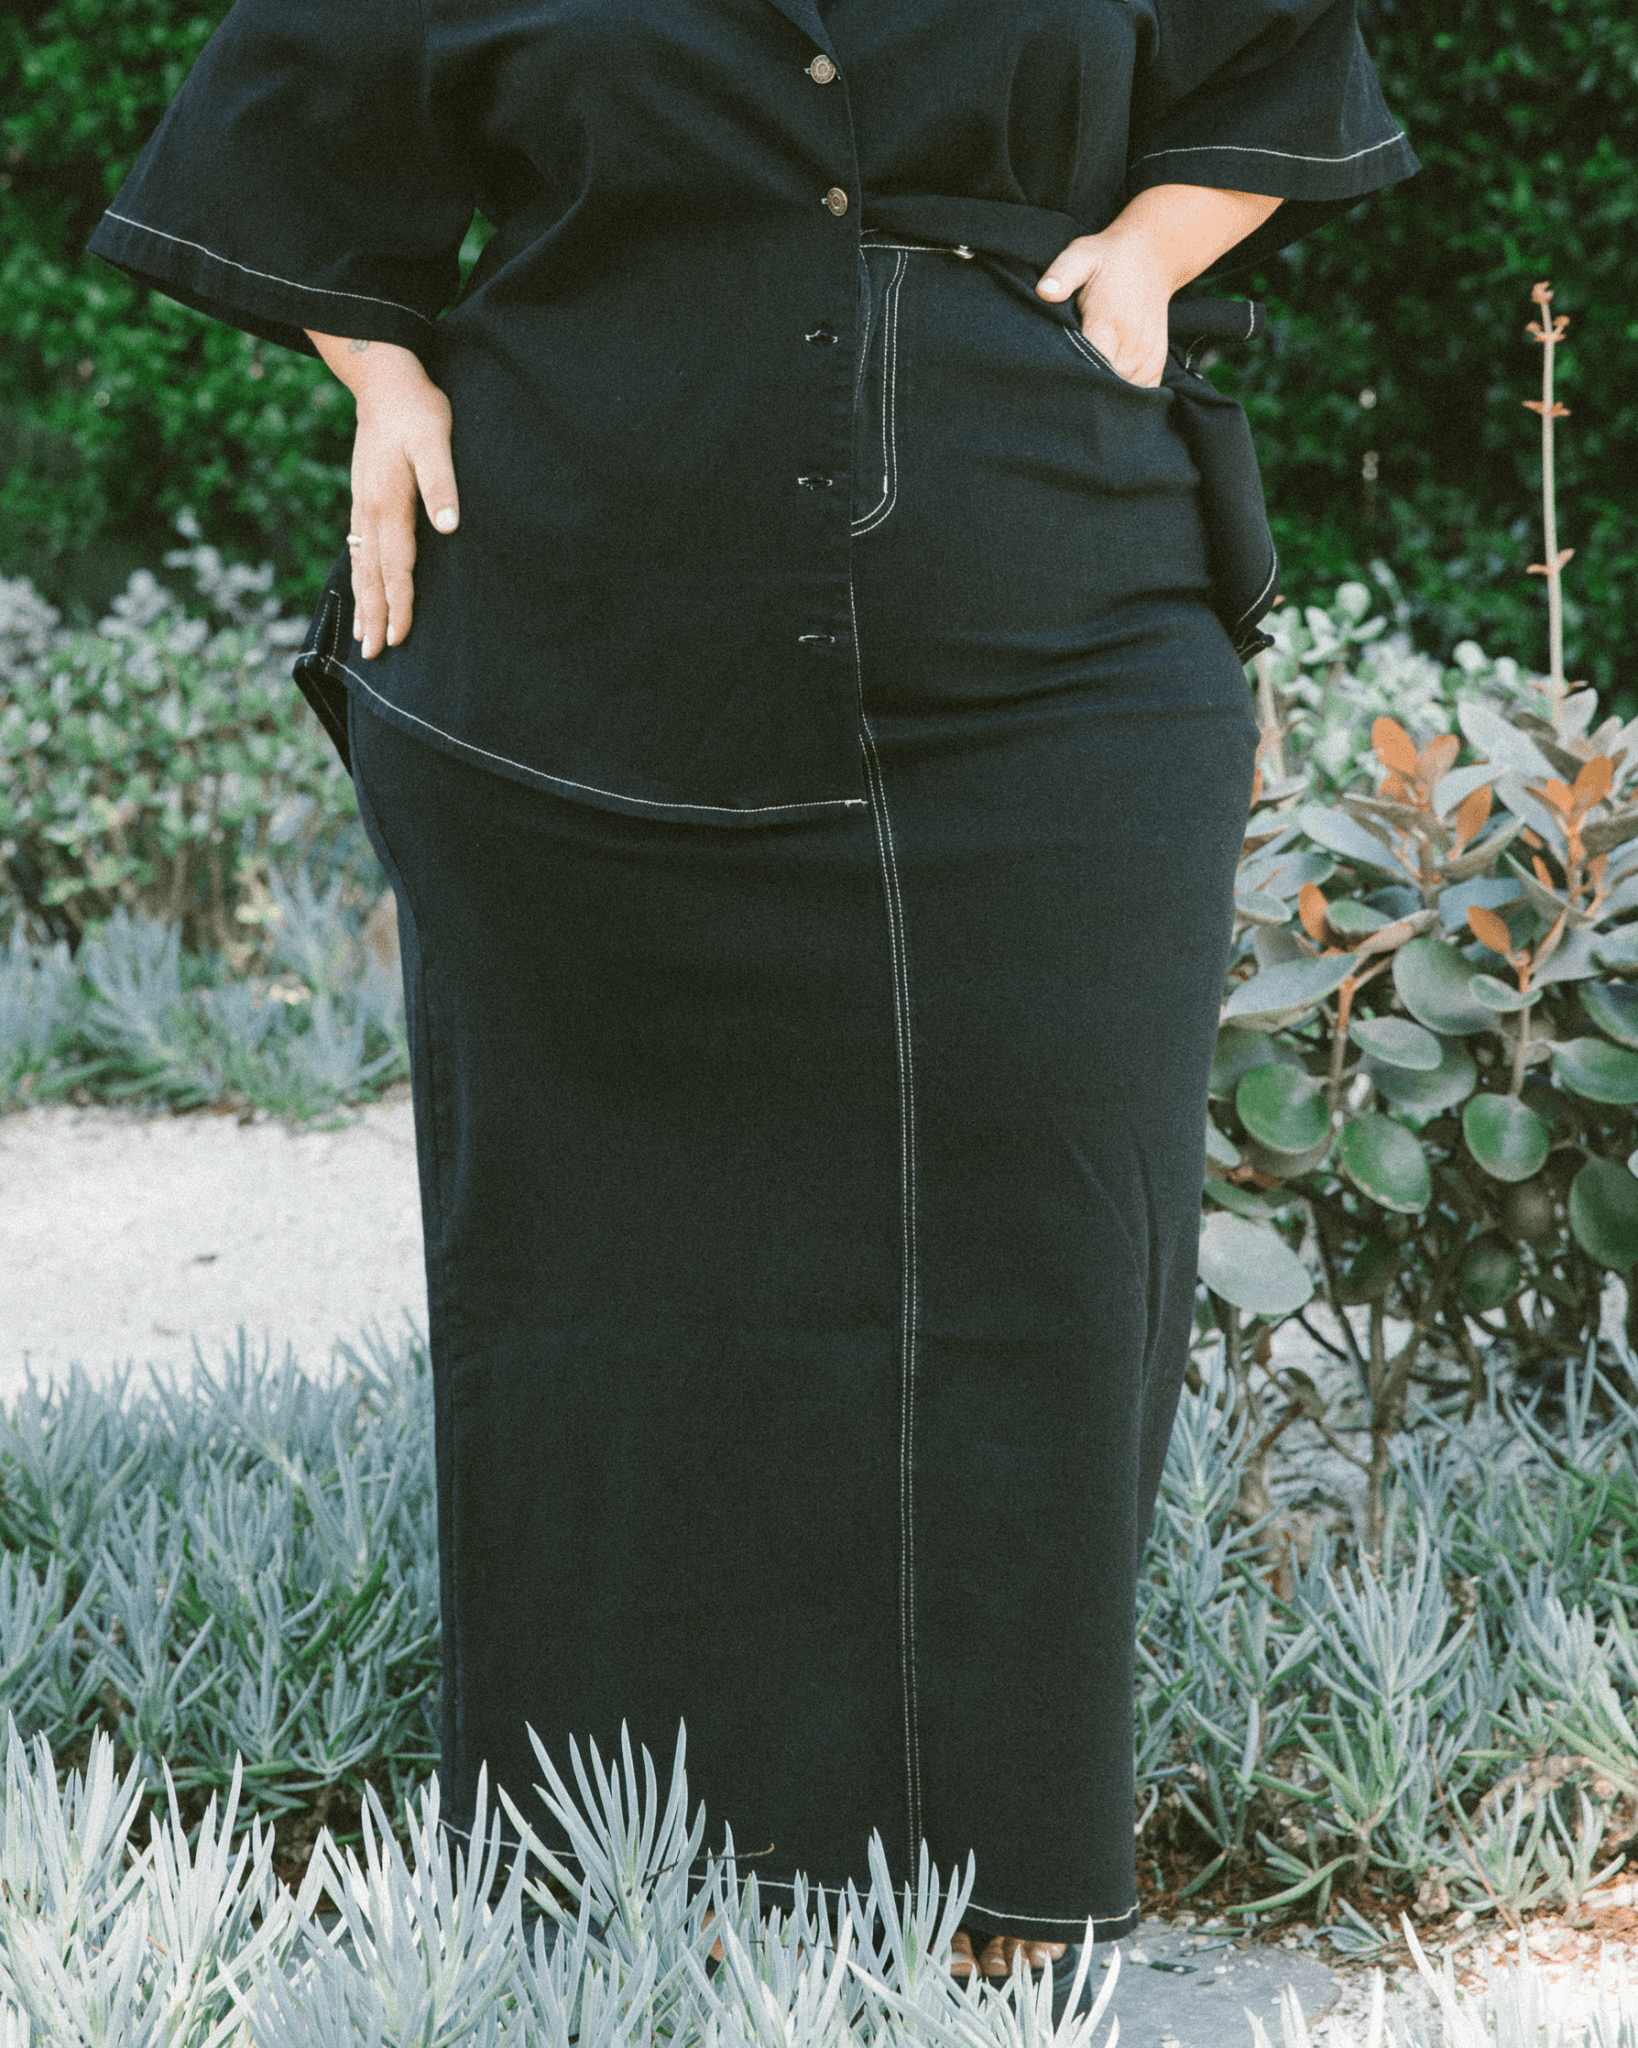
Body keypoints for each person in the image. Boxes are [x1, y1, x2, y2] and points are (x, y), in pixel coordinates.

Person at [88, 0, 1416, 1984]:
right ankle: (621, 1873)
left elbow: (1282, 56)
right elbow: (287, 114)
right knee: (602, 1258)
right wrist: (381, 370)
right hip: (588, 658)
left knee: (1050, 1243)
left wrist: (1149, 250)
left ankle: (994, 1876)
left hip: (1065, 624)